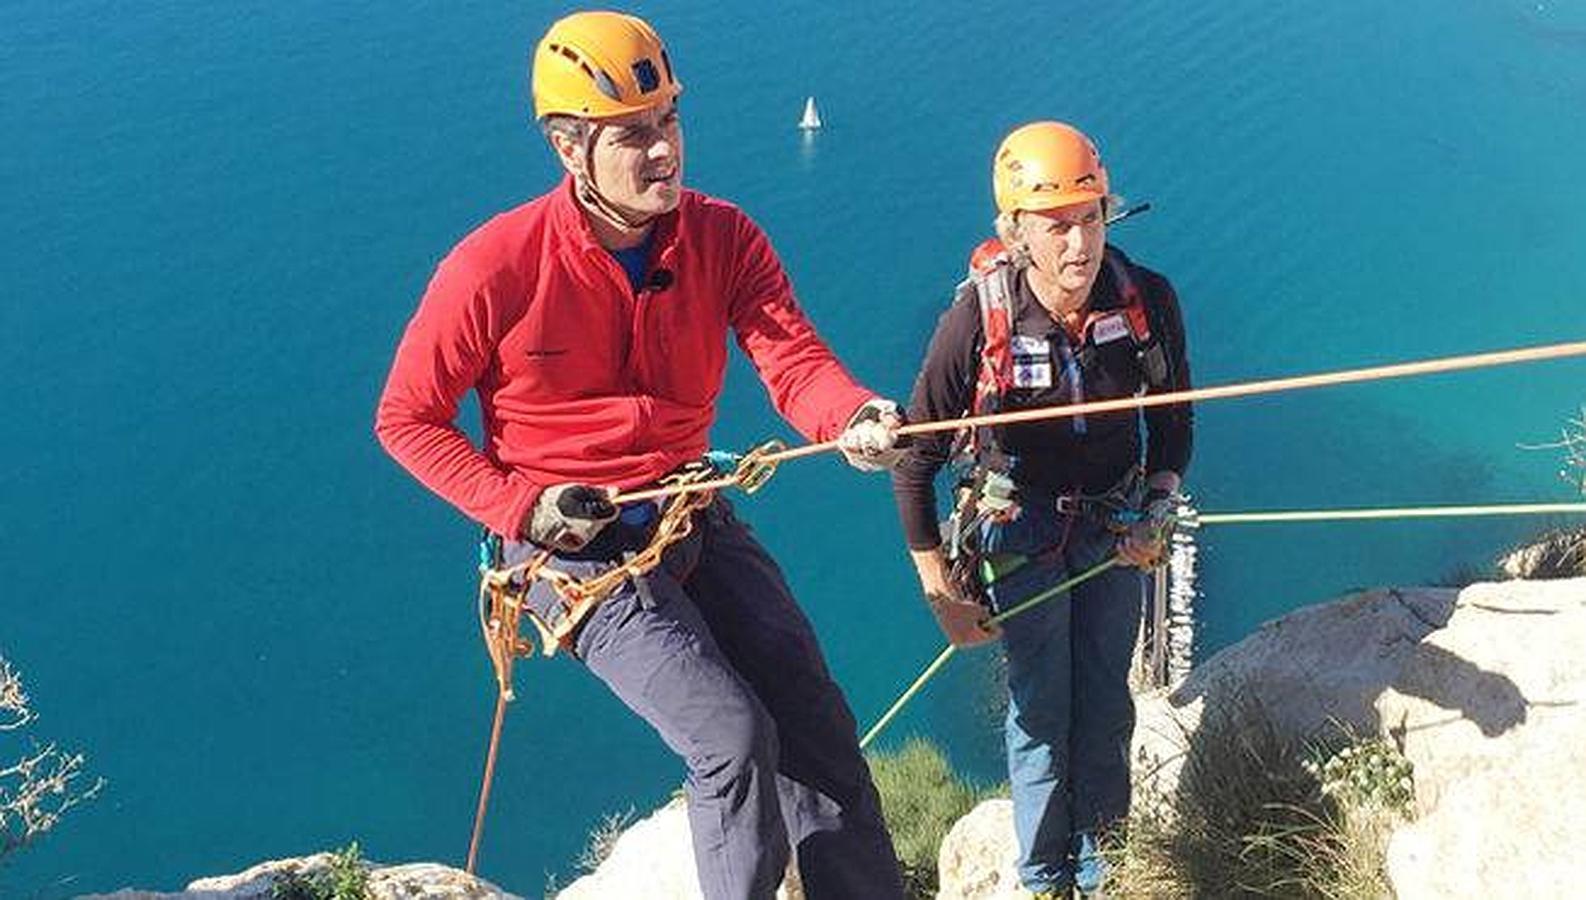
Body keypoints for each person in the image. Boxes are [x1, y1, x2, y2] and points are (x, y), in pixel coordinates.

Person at [374, 12, 907, 899]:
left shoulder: (723, 238)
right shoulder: (495, 266)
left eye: (669, 124)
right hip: (568, 548)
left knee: (812, 713)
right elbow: (407, 418)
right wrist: (524, 509)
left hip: (688, 508)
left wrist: (852, 416)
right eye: (633, 135)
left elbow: (793, 358)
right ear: (568, 150)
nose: (664, 153)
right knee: (730, 737)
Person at [890, 121, 1193, 898]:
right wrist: (941, 595)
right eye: (1056, 226)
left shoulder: (1144, 300)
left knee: (1106, 702)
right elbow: (916, 457)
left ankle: (1108, 868)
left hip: (1115, 525)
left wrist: (1157, 507)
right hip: (1019, 534)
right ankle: (1044, 877)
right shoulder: (979, 322)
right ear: (1017, 233)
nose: (1078, 244)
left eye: (1090, 219)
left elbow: (1174, 423)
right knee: (1040, 710)